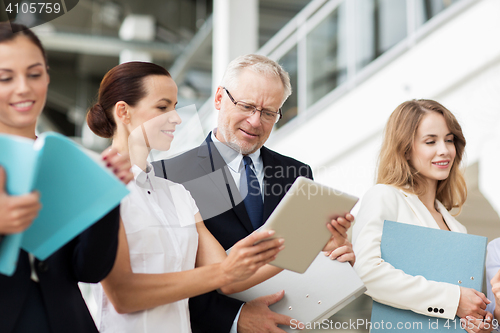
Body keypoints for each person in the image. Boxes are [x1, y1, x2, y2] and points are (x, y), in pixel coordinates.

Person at [87, 61, 305, 333]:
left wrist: (311, 241)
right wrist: (225, 272)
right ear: (124, 112)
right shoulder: (99, 185)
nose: (177, 118)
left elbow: (230, 279)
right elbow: (124, 296)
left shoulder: (176, 193)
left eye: (175, 107)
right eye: (163, 107)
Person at [152, 54, 355, 333]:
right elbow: (165, 275)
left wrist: (332, 252)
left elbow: (298, 260)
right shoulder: (169, 175)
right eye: (247, 106)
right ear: (219, 99)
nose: (256, 121)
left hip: (288, 322)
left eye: (269, 112)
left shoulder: (297, 173)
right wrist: (235, 318)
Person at [0, 22, 132, 333]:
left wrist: (106, 195)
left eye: (34, 74)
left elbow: (89, 269)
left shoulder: (65, 160)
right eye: (6, 77)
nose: (24, 88)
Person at [352, 99, 494, 333]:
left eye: (449, 140)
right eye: (431, 141)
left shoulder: (457, 227)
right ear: (405, 149)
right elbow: (366, 272)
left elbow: (466, 306)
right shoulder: (384, 196)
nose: (445, 150)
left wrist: (480, 322)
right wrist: (454, 299)